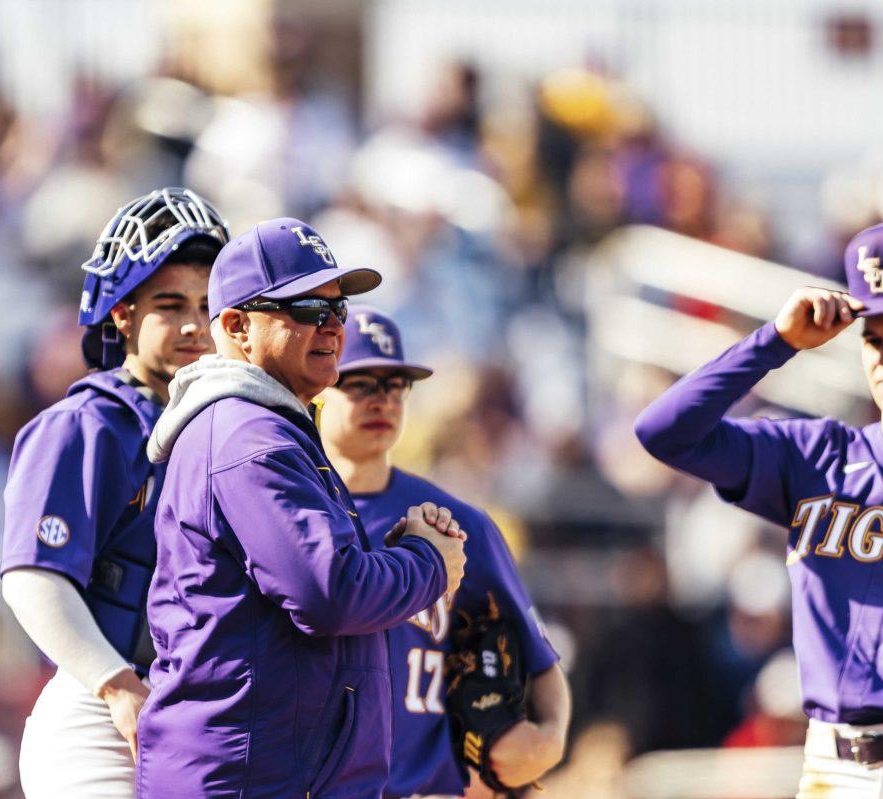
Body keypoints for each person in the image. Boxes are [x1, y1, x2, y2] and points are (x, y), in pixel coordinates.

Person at [635, 220, 883, 797]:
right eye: (874, 340)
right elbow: (665, 432)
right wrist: (776, 341)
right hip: (829, 767)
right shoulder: (815, 457)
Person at [137, 218, 467, 799]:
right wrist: (428, 563)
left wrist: (394, 551)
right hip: (245, 780)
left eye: (338, 310)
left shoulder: (271, 429)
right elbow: (329, 594)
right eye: (308, 309)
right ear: (237, 326)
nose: (334, 327)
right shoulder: (246, 438)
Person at [0, 188, 230, 798]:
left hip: (197, 715)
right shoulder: (85, 424)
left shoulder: (226, 429)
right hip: (101, 710)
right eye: (169, 304)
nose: (192, 324)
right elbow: (33, 577)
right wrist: (115, 685)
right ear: (123, 314)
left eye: (207, 305)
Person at [315, 306, 570, 799]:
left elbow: (538, 659)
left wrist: (551, 738)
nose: (381, 400)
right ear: (319, 392)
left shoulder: (460, 523)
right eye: (360, 383)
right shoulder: (286, 516)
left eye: (395, 384)